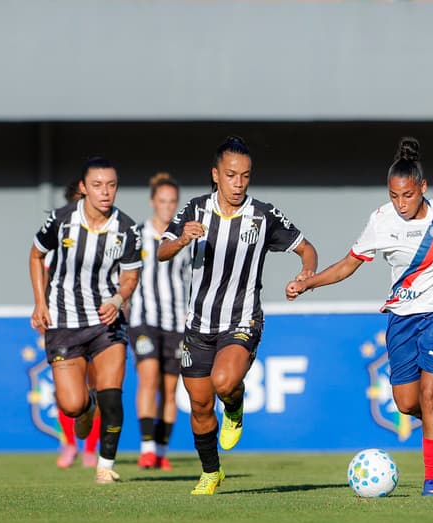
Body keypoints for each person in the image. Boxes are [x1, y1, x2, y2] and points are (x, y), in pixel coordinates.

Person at [286, 137, 433, 497]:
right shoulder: (381, 221)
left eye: (408, 195)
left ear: (423, 188)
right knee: (406, 402)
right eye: (394, 195)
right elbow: (348, 264)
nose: (400, 203)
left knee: (431, 391)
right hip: (402, 316)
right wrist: (311, 284)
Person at [157, 136, 318, 495]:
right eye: (231, 175)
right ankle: (211, 472)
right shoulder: (195, 210)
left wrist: (305, 275)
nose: (239, 183)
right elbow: (162, 251)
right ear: (216, 175)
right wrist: (182, 240)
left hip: (242, 319)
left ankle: (235, 403)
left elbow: (307, 249)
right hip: (198, 325)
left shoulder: (263, 215)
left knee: (224, 382)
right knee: (199, 407)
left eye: (245, 176)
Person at [29, 157, 142, 484]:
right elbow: (36, 255)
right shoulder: (60, 221)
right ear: (83, 188)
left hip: (106, 322)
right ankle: (86, 406)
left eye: (111, 185)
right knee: (72, 404)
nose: (105, 192)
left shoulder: (127, 229)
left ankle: (105, 466)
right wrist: (39, 303)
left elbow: (131, 277)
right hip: (64, 322)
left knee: (112, 394)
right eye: (97, 185)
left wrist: (118, 299)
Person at [128, 172, 190, 471]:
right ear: (153, 202)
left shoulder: (184, 239)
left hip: (177, 321)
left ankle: (162, 450)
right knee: (148, 377)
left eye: (172, 202)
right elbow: (125, 275)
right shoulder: (137, 235)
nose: (167, 206)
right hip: (143, 318)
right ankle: (147, 448)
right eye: (162, 201)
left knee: (169, 388)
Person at [48, 180, 101, 470]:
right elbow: (45, 274)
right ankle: (69, 445)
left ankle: (90, 449)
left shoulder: (107, 234)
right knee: (66, 391)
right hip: (63, 323)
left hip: (96, 323)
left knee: (95, 388)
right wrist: (41, 309)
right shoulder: (57, 236)